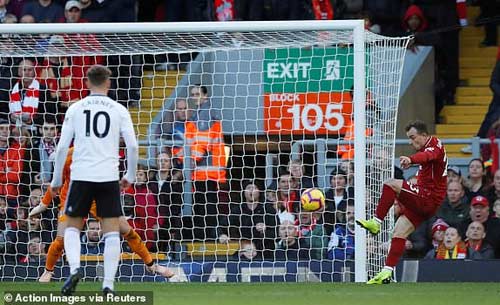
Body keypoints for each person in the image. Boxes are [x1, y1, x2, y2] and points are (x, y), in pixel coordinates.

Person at [49, 65, 138, 296]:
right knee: (111, 233)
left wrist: (57, 179)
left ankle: (75, 269)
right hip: (107, 178)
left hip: (80, 177)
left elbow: (61, 149)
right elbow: (133, 145)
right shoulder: (119, 110)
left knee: (71, 228)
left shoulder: (76, 108)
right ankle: (108, 285)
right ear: (108, 83)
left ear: (87, 83)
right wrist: (129, 175)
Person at [356, 120, 447, 284]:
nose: (412, 142)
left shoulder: (435, 145)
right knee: (399, 232)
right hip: (426, 201)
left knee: (391, 183)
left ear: (424, 135)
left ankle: (376, 222)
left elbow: (427, 156)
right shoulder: (429, 147)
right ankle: (386, 272)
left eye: (413, 138)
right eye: (409, 139)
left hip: (428, 198)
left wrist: (411, 160)